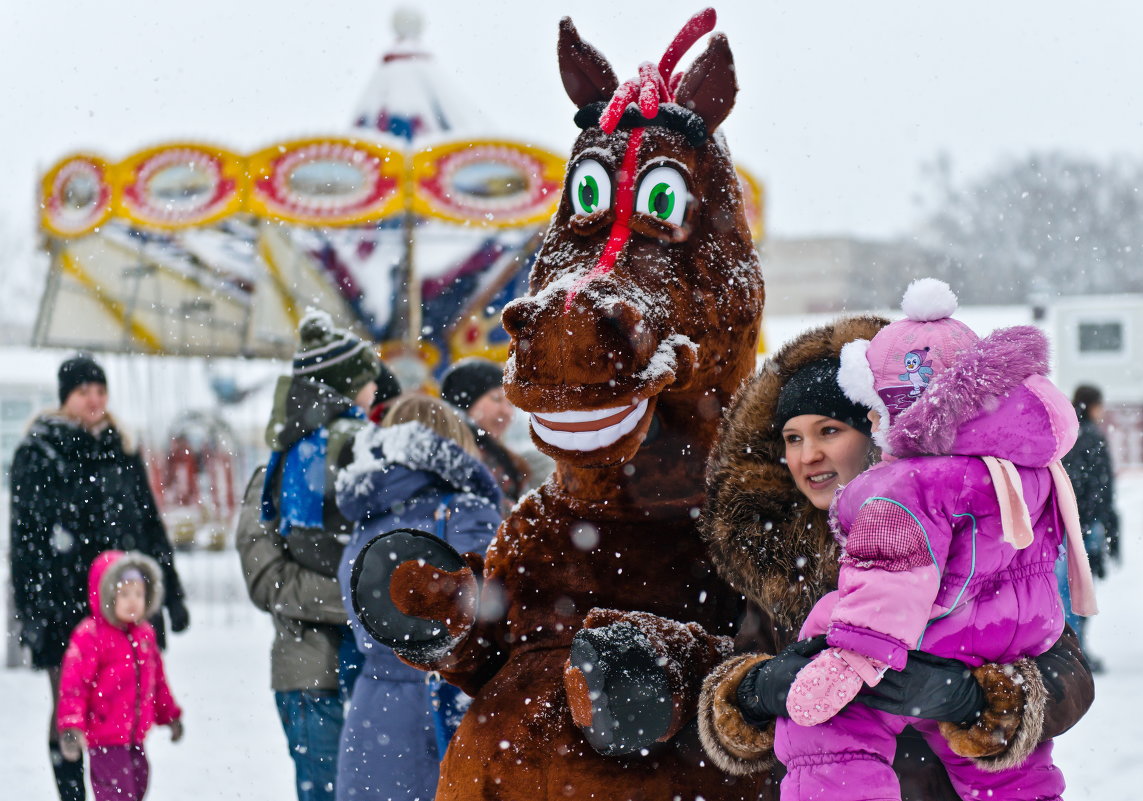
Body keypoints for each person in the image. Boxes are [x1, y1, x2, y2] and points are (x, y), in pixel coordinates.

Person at [698, 310, 1096, 801]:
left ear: (879, 430)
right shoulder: (771, 559)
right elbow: (733, 665)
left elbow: (1067, 672)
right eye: (792, 439)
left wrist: (974, 700)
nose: (808, 456)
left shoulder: (975, 528)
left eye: (828, 432)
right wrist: (754, 690)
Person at [9, 353, 189, 801]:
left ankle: (117, 791)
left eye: (100, 391)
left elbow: (149, 525)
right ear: (65, 397)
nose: (94, 400)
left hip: (125, 599)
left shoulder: (121, 448)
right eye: (83, 391)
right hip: (62, 602)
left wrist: (171, 593)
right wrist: (31, 608)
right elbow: (25, 538)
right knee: (67, 707)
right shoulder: (39, 451)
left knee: (121, 704)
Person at [334, 394, 502, 801]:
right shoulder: (466, 511)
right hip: (443, 705)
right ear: (456, 444)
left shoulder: (368, 517)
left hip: (371, 708)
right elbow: (491, 609)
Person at [249, 310, 379, 801]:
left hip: (370, 667)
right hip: (308, 671)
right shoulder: (271, 476)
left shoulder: (350, 457)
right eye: (366, 382)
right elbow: (269, 580)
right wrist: (364, 599)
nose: (375, 392)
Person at [56, 551, 183, 801]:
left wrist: (169, 716)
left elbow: (157, 683)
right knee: (117, 795)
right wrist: (71, 726)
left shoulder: (145, 635)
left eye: (138, 593)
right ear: (105, 595)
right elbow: (74, 687)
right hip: (105, 739)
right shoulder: (91, 636)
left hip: (135, 737)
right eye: (124, 594)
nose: (133, 601)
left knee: (137, 788)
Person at [1059, 383, 1120, 669]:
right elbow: (1103, 488)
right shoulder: (1093, 436)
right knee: (1081, 589)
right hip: (1087, 524)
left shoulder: (1066, 434)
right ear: (1094, 405)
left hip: (1065, 523)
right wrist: (1106, 525)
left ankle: (1070, 649)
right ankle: (1076, 650)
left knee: (1066, 589)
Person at [439, 357, 532, 509]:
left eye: (510, 404)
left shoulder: (507, 459)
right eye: (496, 399)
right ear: (465, 401)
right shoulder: (449, 457)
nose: (507, 412)